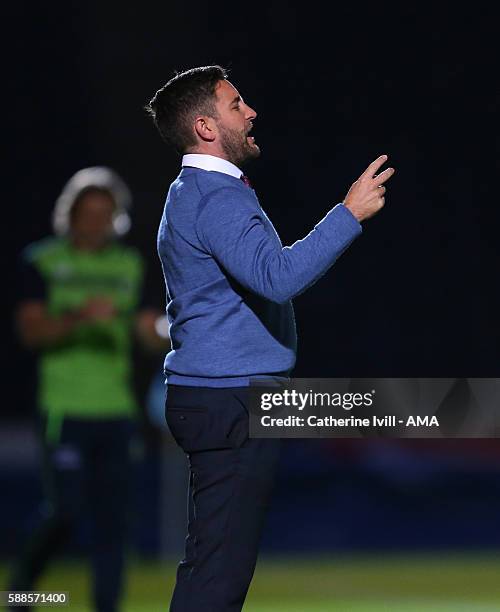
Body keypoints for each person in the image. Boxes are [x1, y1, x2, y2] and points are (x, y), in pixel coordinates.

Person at [146, 65, 395, 612]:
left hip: (228, 393)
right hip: (230, 396)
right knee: (218, 576)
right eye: (237, 104)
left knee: (219, 566)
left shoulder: (197, 191)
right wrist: (348, 214)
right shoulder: (214, 195)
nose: (251, 111)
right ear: (207, 127)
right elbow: (278, 277)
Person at [9, 167, 169, 612]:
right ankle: (21, 591)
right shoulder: (42, 260)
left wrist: (167, 330)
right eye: (88, 212)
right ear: (71, 214)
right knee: (64, 510)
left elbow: (148, 326)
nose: (97, 222)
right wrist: (81, 318)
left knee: (114, 521)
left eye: (105, 213)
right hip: (65, 406)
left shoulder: (130, 264)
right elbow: (30, 331)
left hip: (116, 410)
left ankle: (105, 606)